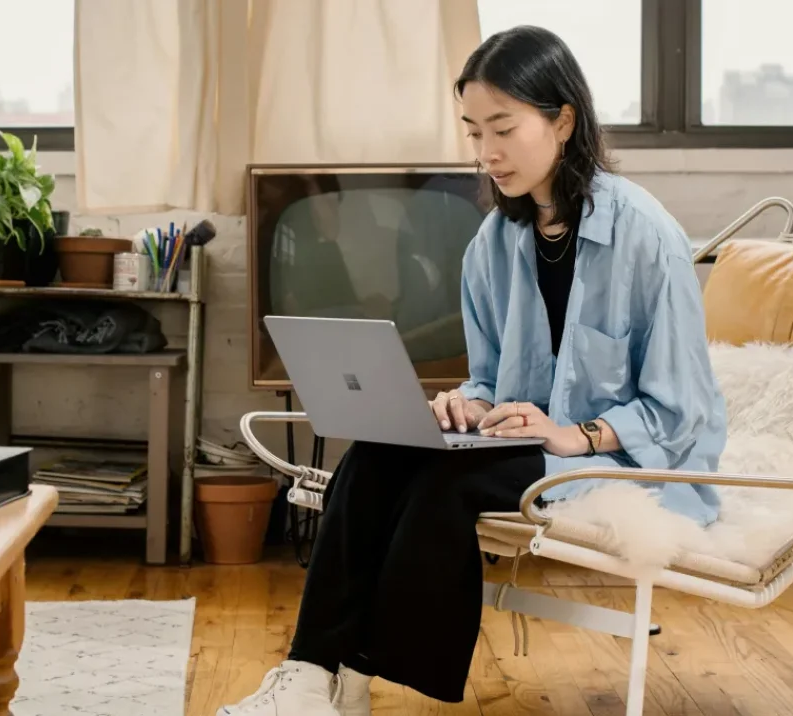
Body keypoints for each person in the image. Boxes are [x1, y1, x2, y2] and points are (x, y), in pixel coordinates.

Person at [218, 24, 727, 716]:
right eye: (472, 132)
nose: (486, 153)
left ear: (563, 120)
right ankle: (311, 675)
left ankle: (358, 667)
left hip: (629, 458)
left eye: (503, 129)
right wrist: (466, 404)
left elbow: (681, 409)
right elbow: (491, 379)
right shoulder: (494, 241)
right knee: (374, 455)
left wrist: (576, 433)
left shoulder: (648, 236)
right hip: (523, 440)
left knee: (442, 487)